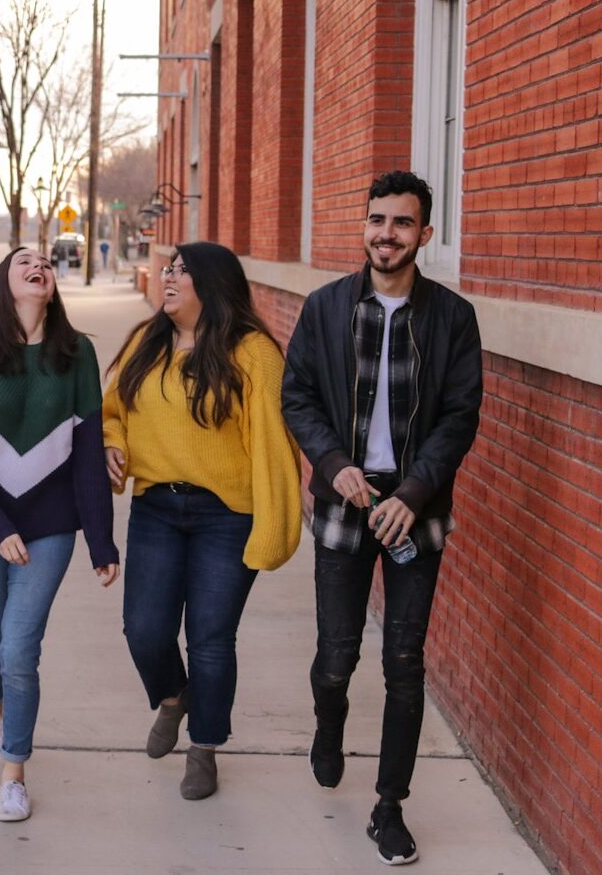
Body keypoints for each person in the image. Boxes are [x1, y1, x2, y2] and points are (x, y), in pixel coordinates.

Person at [281, 171, 482, 866]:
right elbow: (298, 395)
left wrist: (415, 492)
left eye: (401, 222)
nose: (386, 234)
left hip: (414, 509)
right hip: (346, 500)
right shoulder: (326, 308)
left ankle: (389, 806)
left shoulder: (453, 317)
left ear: (424, 233)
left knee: (404, 662)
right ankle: (328, 723)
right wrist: (332, 461)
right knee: (336, 656)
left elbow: (459, 416)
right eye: (377, 220)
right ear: (364, 226)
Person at [103, 241, 300, 801]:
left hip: (227, 515)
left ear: (212, 284)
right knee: (144, 630)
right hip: (156, 508)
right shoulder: (146, 342)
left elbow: (274, 446)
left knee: (211, 639)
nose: (168, 276)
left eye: (182, 271)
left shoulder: (253, 353)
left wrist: (274, 528)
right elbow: (112, 412)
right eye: (168, 268)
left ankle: (205, 748)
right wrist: (112, 444)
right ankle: (174, 698)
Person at [0, 247, 120, 822]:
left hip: (50, 527)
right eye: (23, 260)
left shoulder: (77, 353)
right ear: (4, 281)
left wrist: (101, 541)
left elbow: (89, 453)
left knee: (18, 651)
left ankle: (14, 771)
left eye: (45, 261)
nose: (37, 265)